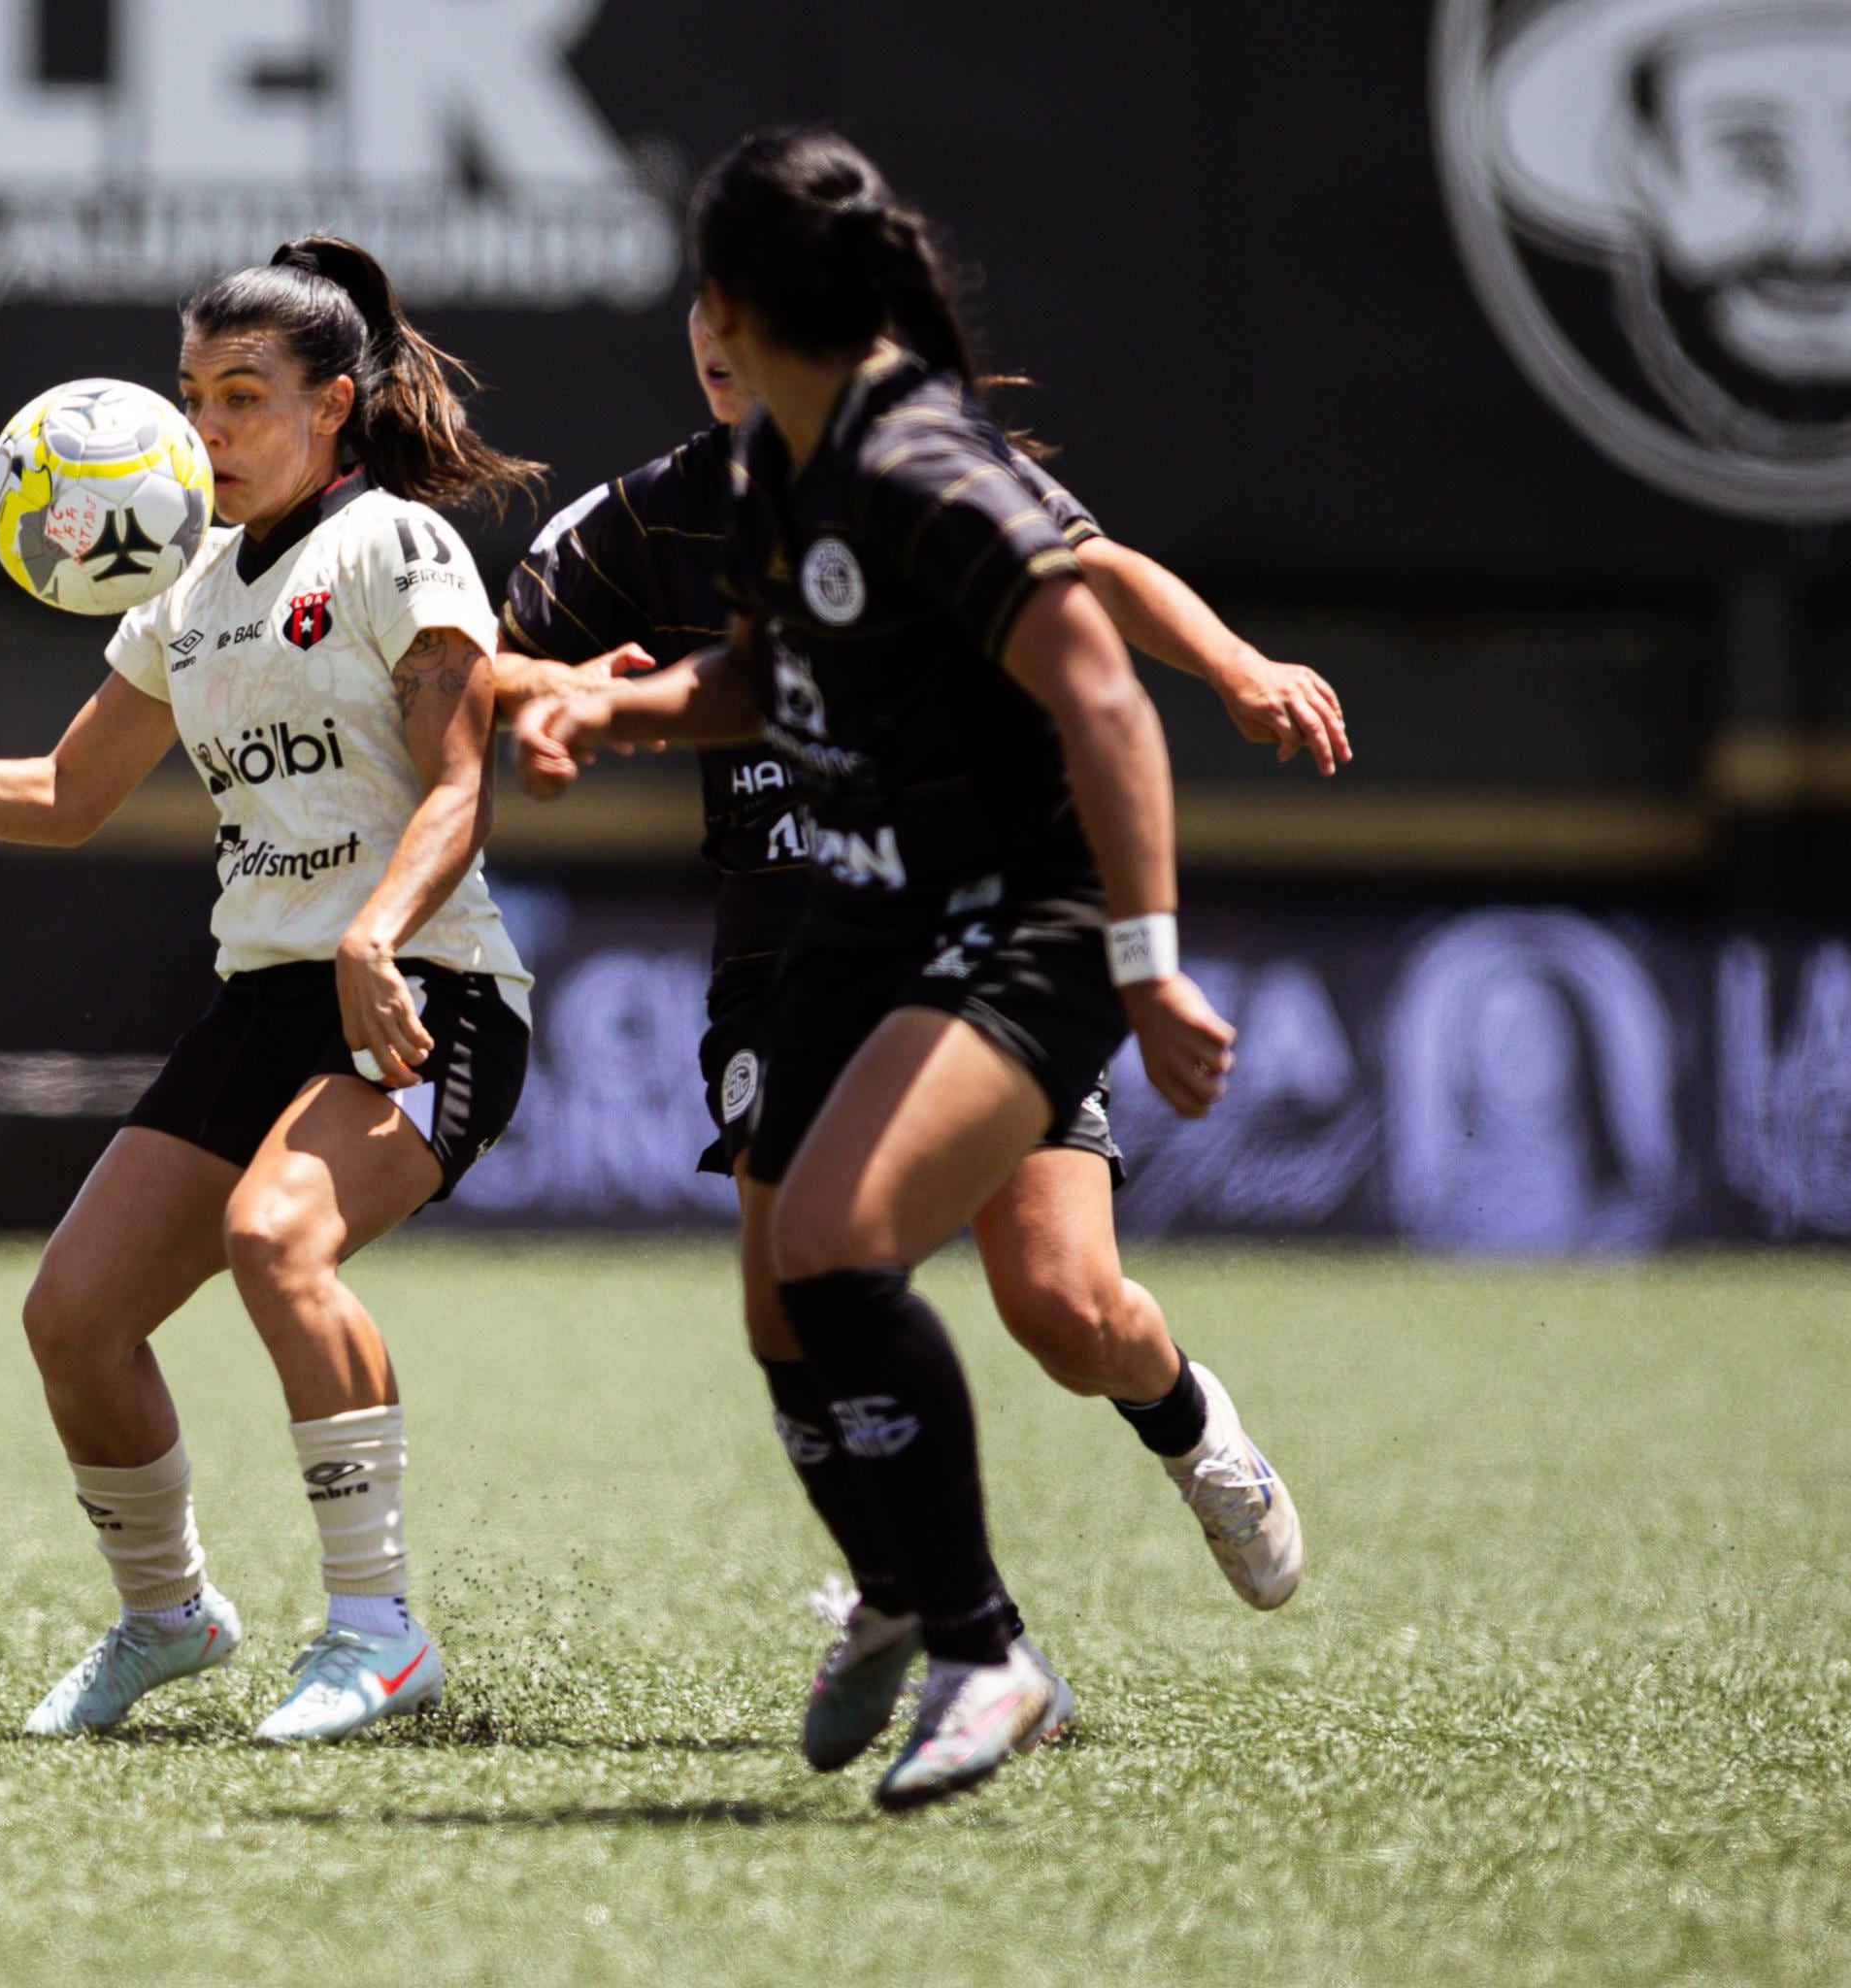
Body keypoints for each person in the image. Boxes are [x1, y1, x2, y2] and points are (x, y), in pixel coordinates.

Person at [515, 129, 1299, 1809]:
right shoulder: (774, 472)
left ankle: (977, 1640)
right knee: (795, 1279)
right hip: (858, 921)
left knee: (904, 1264)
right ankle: (926, 1601)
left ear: (731, 297)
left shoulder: (928, 463)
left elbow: (1098, 694)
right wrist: (627, 703)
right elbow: (766, 675)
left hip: (1012, 914)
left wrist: (1148, 965)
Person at [0, 236, 541, 1740]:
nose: (208, 432)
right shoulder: (184, 587)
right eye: (193, 397)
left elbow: (464, 788)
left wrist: (377, 933)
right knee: (73, 1315)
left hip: (429, 989)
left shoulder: (398, 549)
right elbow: (70, 795)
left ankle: (379, 1634)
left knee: (278, 1240)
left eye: (243, 398)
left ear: (336, 404)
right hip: (264, 1005)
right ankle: (167, 1618)